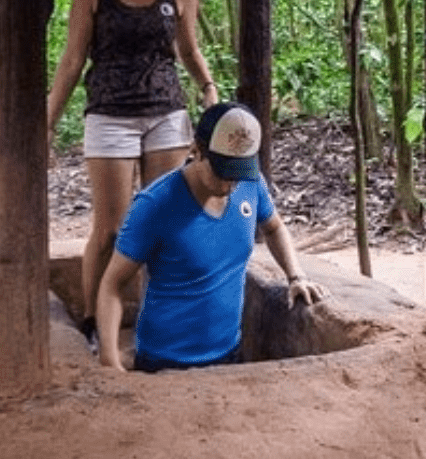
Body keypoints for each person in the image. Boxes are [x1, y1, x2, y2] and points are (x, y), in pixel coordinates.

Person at [47, 0, 219, 353]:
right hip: (109, 114)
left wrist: (209, 88)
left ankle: (155, 320)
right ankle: (91, 319)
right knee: (111, 228)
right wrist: (46, 124)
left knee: (161, 222)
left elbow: (188, 51)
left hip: (165, 112)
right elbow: (71, 61)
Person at [97, 103, 326, 372]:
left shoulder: (251, 183)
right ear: (196, 151)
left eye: (239, 172)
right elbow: (112, 284)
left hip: (229, 353)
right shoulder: (155, 205)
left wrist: (295, 275)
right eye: (222, 171)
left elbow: (274, 227)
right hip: (165, 362)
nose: (231, 184)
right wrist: (110, 359)